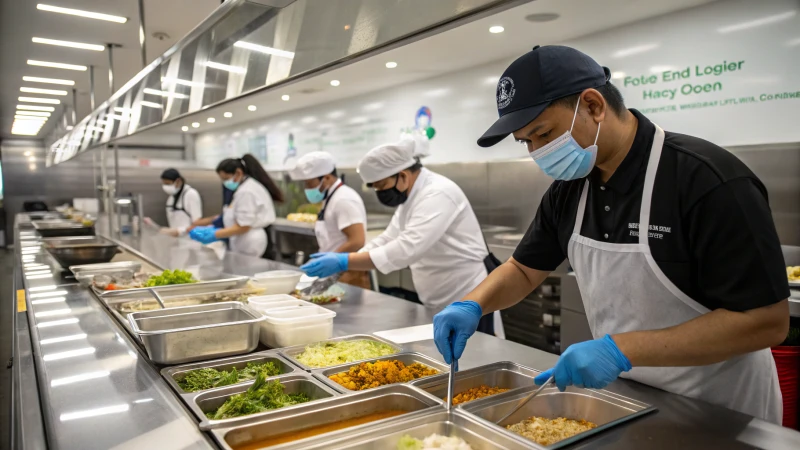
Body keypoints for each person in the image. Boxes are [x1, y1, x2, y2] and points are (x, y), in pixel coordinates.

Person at [433, 45, 788, 423]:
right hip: (630, 398)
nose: (537, 152)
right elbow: (523, 270)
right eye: (526, 142)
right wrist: (472, 304)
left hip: (720, 409)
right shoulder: (569, 189)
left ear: (593, 106)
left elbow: (766, 321)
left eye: (543, 133)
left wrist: (619, 350)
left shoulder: (706, 180)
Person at [301, 139, 503, 337]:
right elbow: (388, 237)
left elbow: (407, 248)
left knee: (476, 357)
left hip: (468, 295)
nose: (380, 192)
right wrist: (343, 267)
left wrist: (345, 261)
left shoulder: (438, 193)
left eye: (381, 185)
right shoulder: (410, 198)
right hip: (438, 296)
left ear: (403, 176)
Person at [289, 151, 370, 289]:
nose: (307, 189)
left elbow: (357, 240)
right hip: (333, 274)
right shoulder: (331, 197)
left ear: (326, 178)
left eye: (309, 184)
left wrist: (333, 260)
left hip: (347, 275)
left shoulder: (343, 199)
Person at [189, 154, 283, 257]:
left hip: (251, 243)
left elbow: (243, 226)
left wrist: (215, 234)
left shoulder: (246, 192)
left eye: (226, 178)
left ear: (238, 173)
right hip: (245, 243)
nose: (225, 183)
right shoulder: (244, 189)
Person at [156, 168, 203, 237]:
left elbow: (198, 223)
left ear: (178, 181)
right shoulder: (171, 198)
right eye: (164, 184)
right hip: (176, 242)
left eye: (168, 184)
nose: (166, 187)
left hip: (191, 241)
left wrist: (179, 231)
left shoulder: (191, 194)